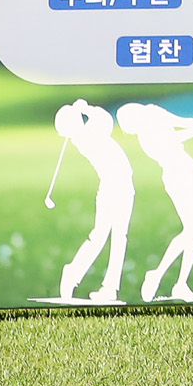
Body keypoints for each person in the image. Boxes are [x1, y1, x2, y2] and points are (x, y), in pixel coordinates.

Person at [115, 102, 193, 302]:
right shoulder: (147, 140)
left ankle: (180, 284)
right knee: (192, 230)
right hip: (177, 177)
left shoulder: (154, 112)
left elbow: (183, 122)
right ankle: (160, 275)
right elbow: (178, 136)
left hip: (189, 169)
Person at [54, 99, 134, 303]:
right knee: (100, 237)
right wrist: (86, 108)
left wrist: (83, 109)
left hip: (123, 186)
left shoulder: (85, 133)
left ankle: (109, 288)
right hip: (113, 188)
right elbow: (106, 120)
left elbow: (102, 121)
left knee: (118, 238)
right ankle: (72, 273)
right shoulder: (86, 136)